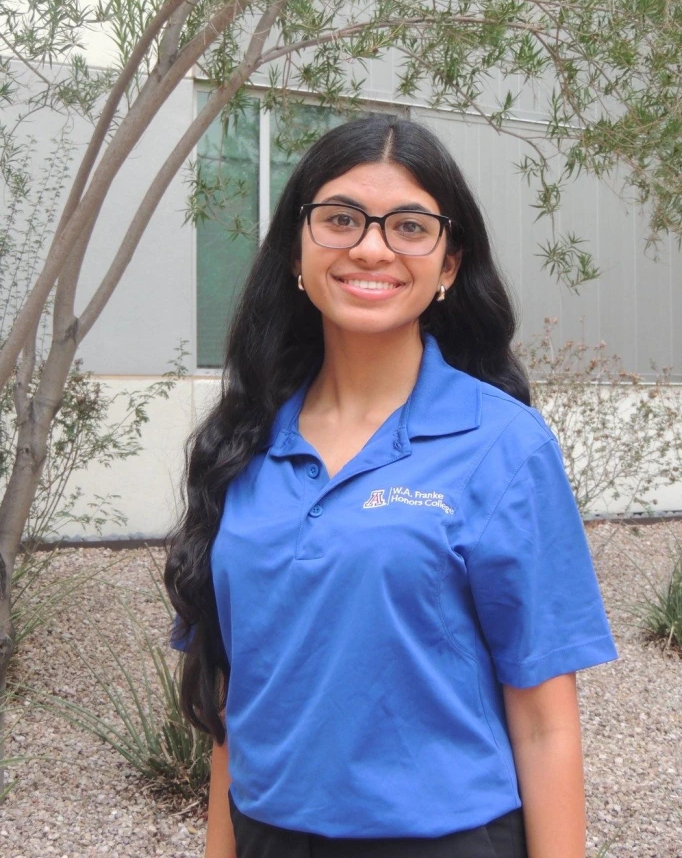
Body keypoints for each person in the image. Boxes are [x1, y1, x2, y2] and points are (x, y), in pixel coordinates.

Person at [165, 116, 618, 858]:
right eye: (340, 218)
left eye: (409, 225)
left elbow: (544, 722)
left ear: (447, 264)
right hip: (268, 834)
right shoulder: (239, 444)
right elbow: (232, 702)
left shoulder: (503, 445)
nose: (370, 246)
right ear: (297, 251)